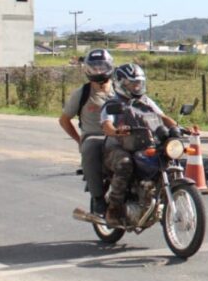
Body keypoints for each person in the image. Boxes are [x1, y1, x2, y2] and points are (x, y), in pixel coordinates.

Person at [100, 63, 178, 225]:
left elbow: (162, 117)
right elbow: (106, 124)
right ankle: (114, 210)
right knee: (125, 164)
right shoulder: (112, 103)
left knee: (167, 158)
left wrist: (177, 127)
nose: (137, 86)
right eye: (132, 82)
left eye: (139, 82)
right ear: (121, 83)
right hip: (117, 146)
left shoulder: (146, 101)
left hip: (143, 144)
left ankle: (155, 197)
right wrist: (116, 131)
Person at [58, 48, 116, 216]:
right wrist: (79, 140)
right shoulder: (82, 93)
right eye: (94, 66)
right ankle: (98, 198)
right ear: (87, 69)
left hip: (119, 134)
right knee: (90, 148)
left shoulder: (120, 89)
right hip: (95, 136)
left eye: (102, 66)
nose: (98, 70)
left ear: (109, 66)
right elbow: (64, 120)